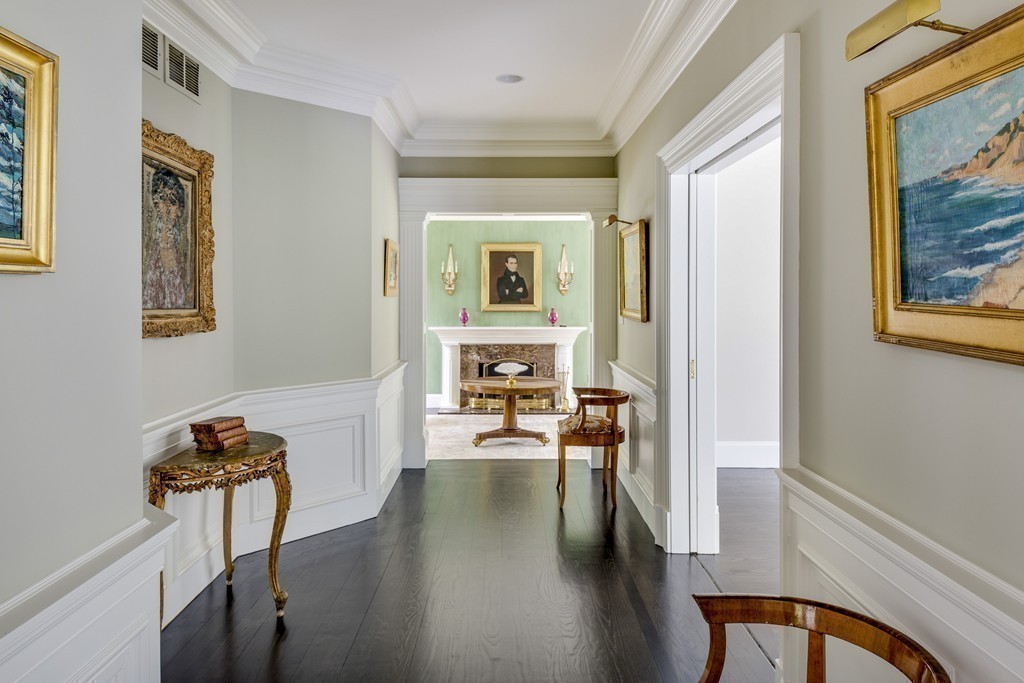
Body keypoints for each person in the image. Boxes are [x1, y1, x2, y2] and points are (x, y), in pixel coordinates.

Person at [142, 166, 193, 310]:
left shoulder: (183, 255)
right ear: (156, 204)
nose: (168, 206)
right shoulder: (149, 251)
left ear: (179, 209)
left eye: (173, 201)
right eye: (163, 198)